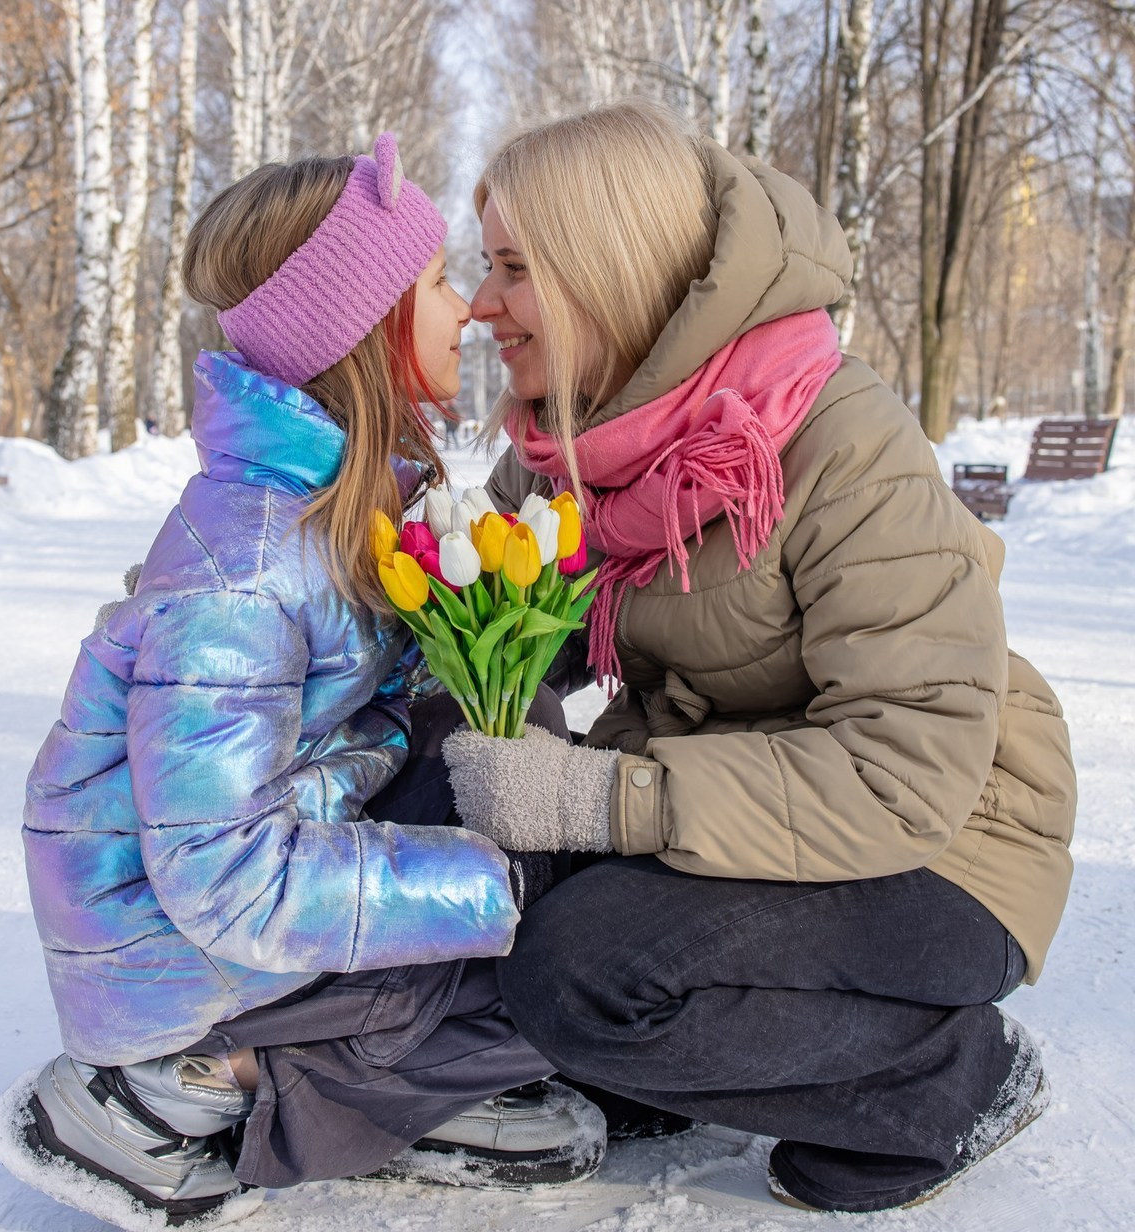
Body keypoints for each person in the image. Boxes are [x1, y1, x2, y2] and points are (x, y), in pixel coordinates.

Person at [441, 100, 1077, 1214]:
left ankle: (947, 1079)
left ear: (605, 269)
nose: (485, 303)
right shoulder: (566, 446)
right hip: (754, 816)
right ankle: (706, 1055)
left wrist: (602, 798)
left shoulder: (836, 439)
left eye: (510, 268)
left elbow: (904, 769)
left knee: (576, 973)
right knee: (497, 909)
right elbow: (493, 632)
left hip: (945, 844)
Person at [0, 135, 603, 1232]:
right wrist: (485, 885)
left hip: (245, 881)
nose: (465, 307)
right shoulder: (243, 569)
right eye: (431, 283)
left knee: (540, 810)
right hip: (172, 955)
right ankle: (186, 1088)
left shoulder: (339, 504)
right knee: (554, 962)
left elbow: (384, 713)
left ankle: (373, 1054)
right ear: (361, 325)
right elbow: (223, 879)